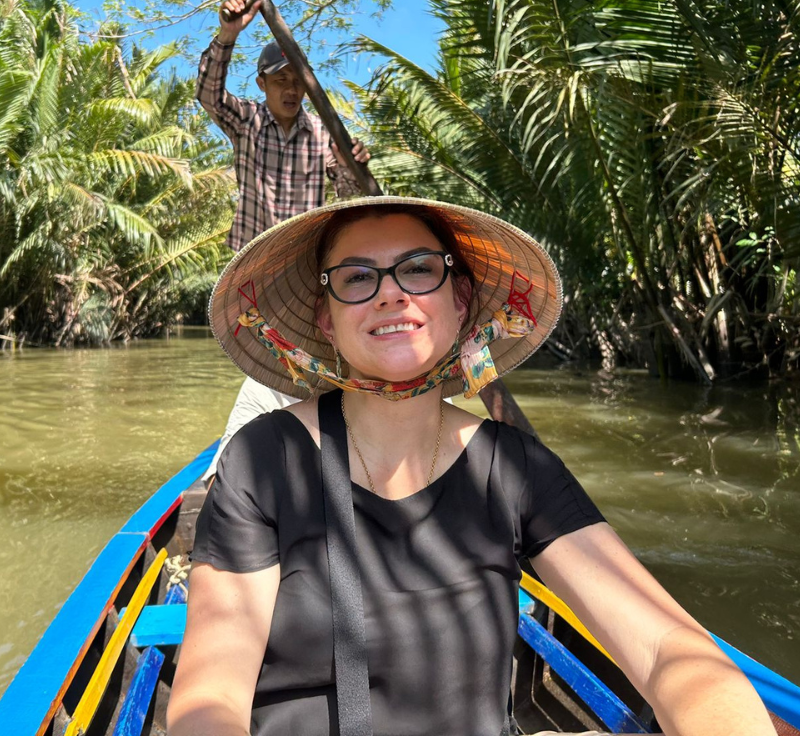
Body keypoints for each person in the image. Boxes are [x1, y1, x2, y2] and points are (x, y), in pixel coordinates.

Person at [166, 196, 777, 736]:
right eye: (356, 277)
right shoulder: (263, 460)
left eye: (419, 269)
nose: (390, 291)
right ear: (326, 319)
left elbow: (670, 647)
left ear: (459, 301)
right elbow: (209, 698)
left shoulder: (515, 469)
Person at [197, 0, 371, 479]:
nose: (290, 90)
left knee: (310, 357)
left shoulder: (320, 132)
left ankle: (316, 449)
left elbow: (346, 194)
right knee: (267, 361)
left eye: (297, 81)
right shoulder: (249, 121)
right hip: (253, 267)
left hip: (304, 269)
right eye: (280, 81)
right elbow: (209, 95)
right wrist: (229, 33)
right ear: (263, 84)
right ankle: (255, 454)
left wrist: (355, 165)